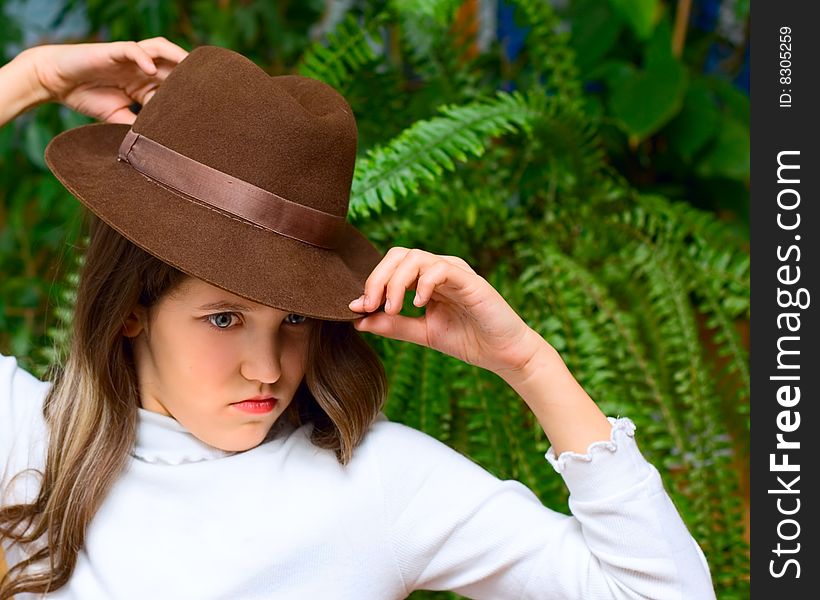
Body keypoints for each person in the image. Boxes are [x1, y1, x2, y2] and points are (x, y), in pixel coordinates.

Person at [0, 38, 717, 599]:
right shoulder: (29, 441)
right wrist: (30, 77)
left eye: (294, 321)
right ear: (131, 312)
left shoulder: (380, 482)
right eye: (224, 319)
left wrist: (528, 362)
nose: (268, 366)